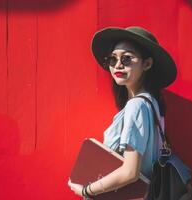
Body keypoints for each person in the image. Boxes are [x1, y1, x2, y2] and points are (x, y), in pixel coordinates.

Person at [68, 26, 179, 199]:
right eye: (113, 59)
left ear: (147, 64)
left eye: (127, 58)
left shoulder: (137, 106)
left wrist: (86, 190)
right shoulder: (152, 104)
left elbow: (130, 172)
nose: (118, 65)